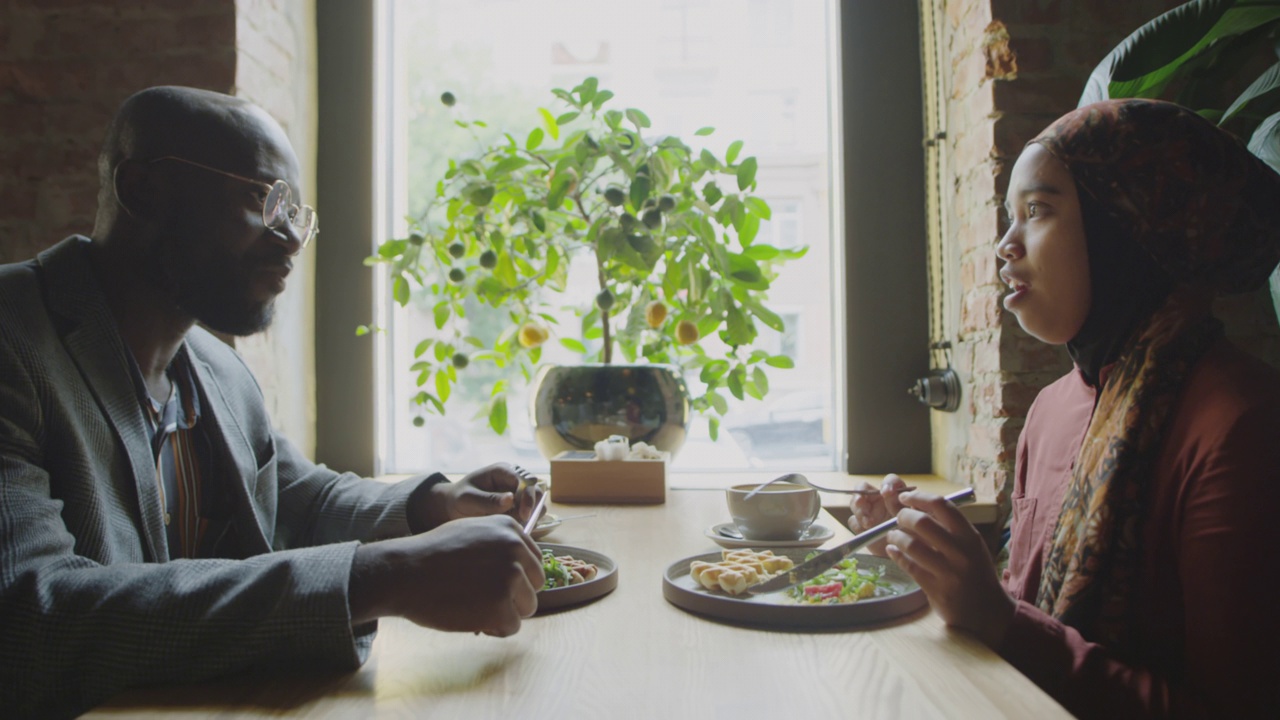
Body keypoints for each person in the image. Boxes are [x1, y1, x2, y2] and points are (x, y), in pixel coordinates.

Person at [0, 86, 546, 719]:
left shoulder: (213, 366)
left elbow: (294, 499)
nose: (291, 240)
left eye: (298, 214)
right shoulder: (16, 342)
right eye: (265, 200)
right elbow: (28, 621)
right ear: (144, 190)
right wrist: (383, 577)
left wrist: (434, 504)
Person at [849, 99, 1280, 718]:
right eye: (1008, 216)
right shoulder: (1052, 410)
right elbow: (1027, 616)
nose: (1005, 244)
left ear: (1129, 226)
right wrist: (919, 559)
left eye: (1038, 210)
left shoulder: (1241, 426)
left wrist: (996, 617)